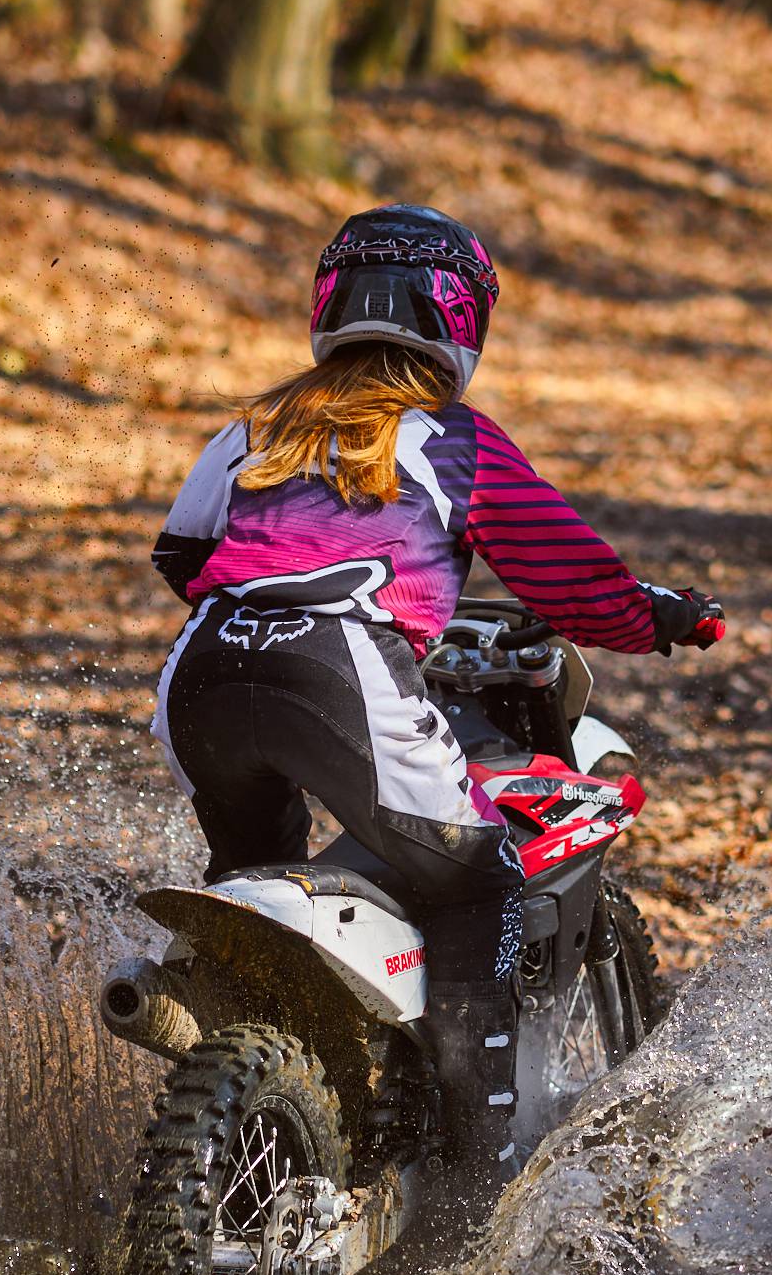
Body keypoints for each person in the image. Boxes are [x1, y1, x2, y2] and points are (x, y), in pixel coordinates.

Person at [148, 204, 725, 1199]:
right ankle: (475, 1176)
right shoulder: (453, 440)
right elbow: (574, 581)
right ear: (459, 315)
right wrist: (663, 617)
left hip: (199, 677)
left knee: (261, 866)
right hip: (339, 667)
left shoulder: (254, 428)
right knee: (477, 878)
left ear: (331, 302)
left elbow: (182, 557)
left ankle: (262, 1073)